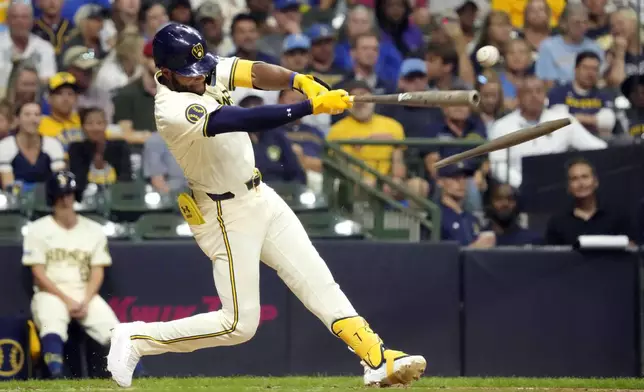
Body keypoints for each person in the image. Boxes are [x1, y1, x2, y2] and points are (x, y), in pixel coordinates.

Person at [106, 23, 426, 389]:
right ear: (164, 73)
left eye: (200, 70)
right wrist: (309, 107)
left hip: (259, 196)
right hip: (224, 213)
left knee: (318, 281)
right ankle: (136, 339)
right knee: (239, 325)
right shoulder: (170, 108)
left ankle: (377, 358)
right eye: (189, 75)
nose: (200, 78)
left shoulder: (200, 69)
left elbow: (252, 71)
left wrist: (301, 81)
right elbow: (240, 118)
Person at [21, 170, 122, 378]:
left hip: (85, 292)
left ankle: (140, 375)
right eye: (60, 195)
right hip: (50, 292)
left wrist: (85, 299)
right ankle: (56, 374)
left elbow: (97, 270)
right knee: (52, 321)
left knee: (114, 329)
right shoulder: (37, 229)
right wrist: (66, 299)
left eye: (68, 194)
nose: (65, 200)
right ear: (52, 198)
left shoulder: (93, 230)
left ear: (75, 196)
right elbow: (38, 273)